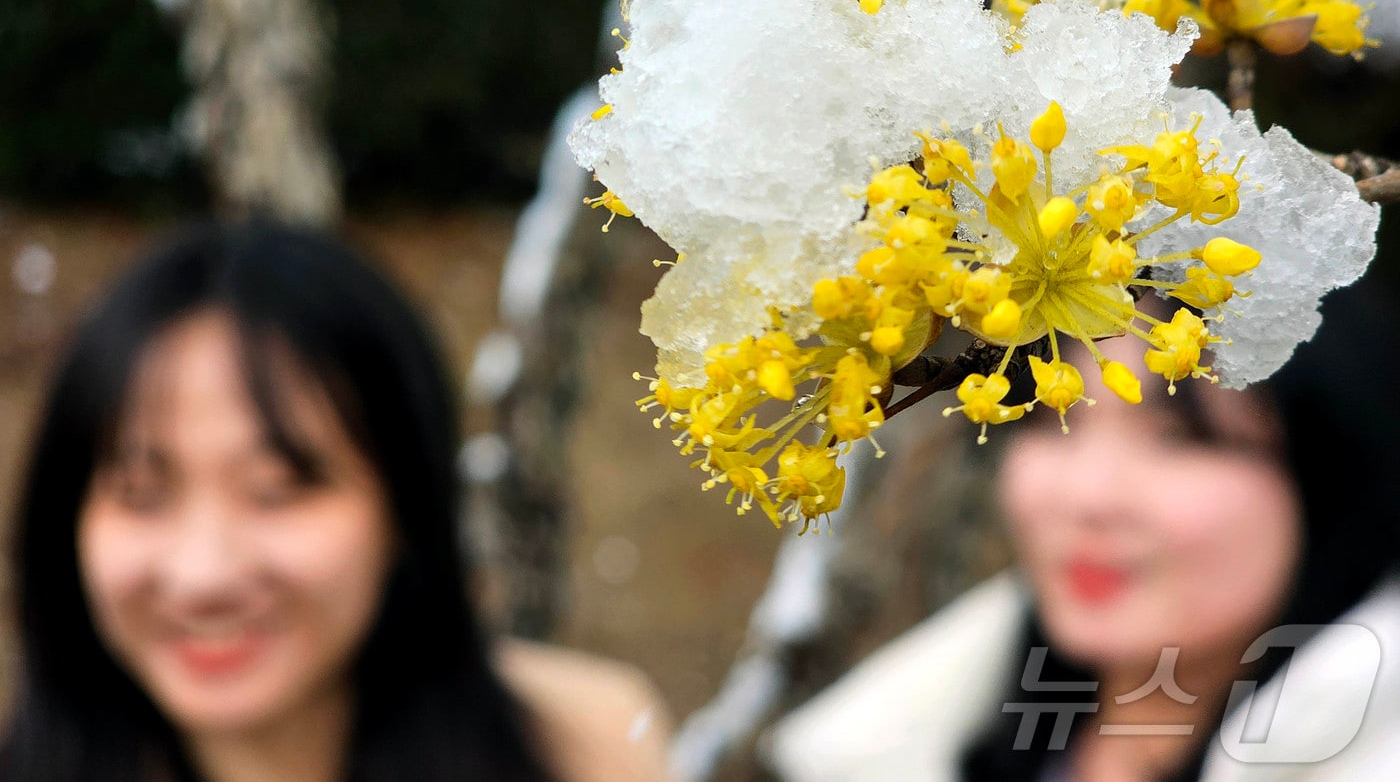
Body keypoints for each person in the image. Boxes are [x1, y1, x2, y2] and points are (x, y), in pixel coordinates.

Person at [0, 220, 676, 782]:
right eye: (142, 496)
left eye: (278, 491)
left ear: (404, 508)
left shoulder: (588, 747)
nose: (204, 575)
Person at [766, 283, 1400, 782]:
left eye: (1180, 438)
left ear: (1336, 473)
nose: (1089, 496)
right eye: (1054, 419)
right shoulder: (903, 733)